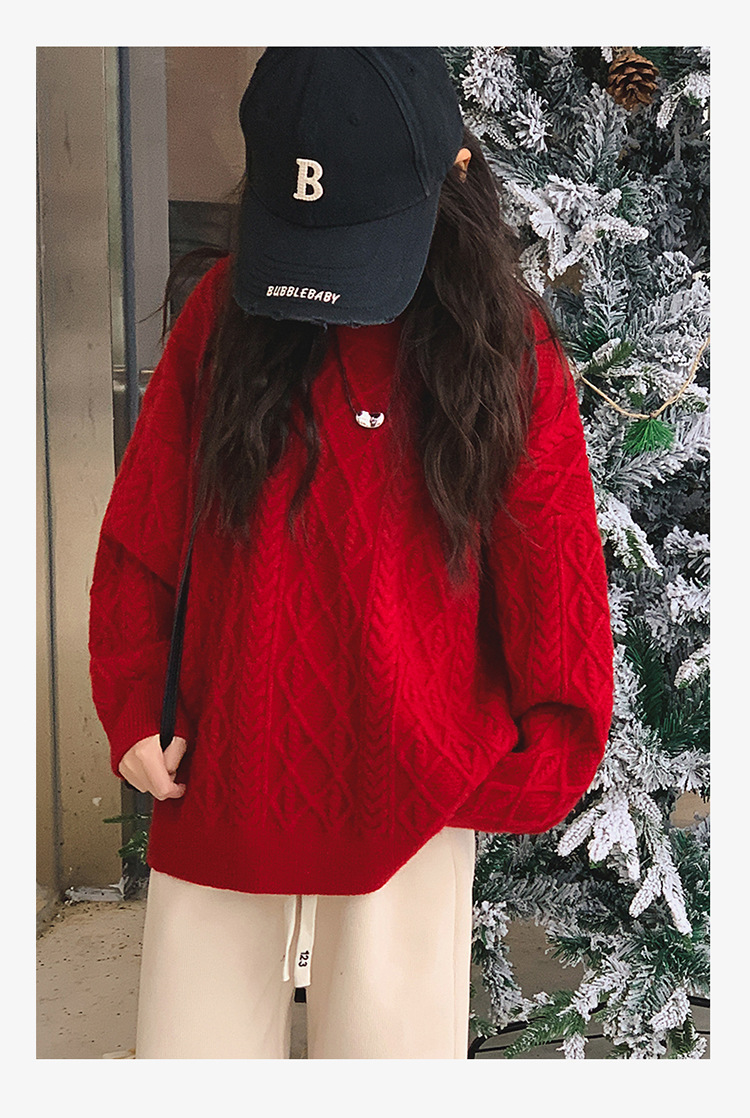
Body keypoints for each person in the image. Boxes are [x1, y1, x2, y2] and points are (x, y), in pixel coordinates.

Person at [88, 47, 615, 1060]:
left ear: (454, 167)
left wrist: (519, 761)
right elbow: (143, 532)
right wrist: (135, 702)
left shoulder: (500, 349)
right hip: (221, 780)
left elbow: (553, 576)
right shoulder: (223, 318)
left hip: (414, 805)